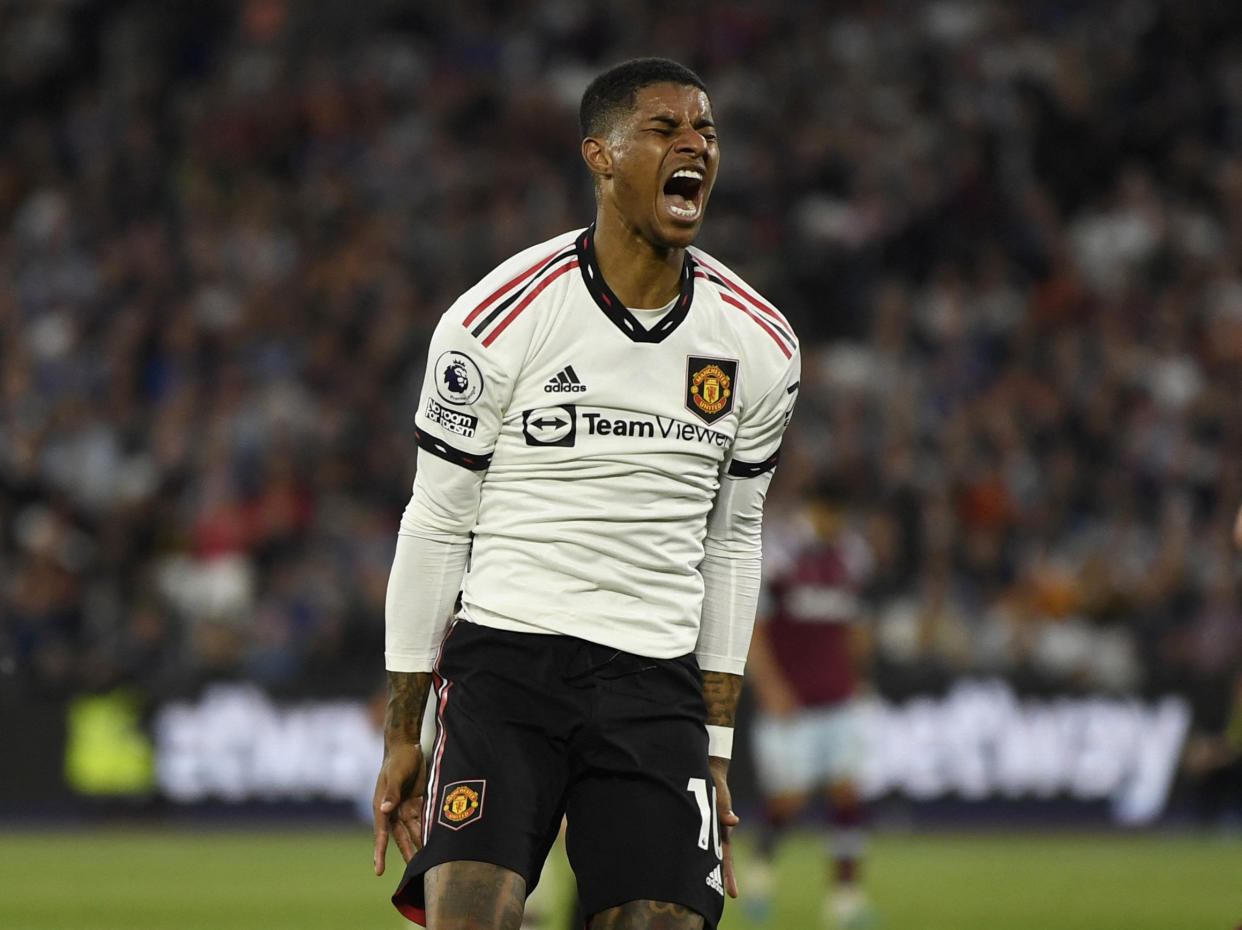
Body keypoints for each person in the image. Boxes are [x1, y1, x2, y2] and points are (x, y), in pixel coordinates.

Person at [371, 57, 801, 930]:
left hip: (655, 679)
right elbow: (436, 522)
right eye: (665, 128)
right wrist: (402, 732)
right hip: (507, 665)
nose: (696, 145)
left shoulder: (761, 344)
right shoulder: (496, 318)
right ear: (599, 157)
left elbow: (732, 543)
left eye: (707, 130)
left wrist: (715, 748)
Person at [743, 484, 875, 929]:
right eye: (825, 512)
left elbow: (853, 624)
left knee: (848, 794)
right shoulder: (780, 555)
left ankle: (845, 900)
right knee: (790, 800)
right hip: (793, 703)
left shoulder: (851, 556)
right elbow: (755, 628)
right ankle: (759, 873)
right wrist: (771, 687)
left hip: (836, 697)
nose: (830, 522)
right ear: (811, 510)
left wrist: (857, 678)